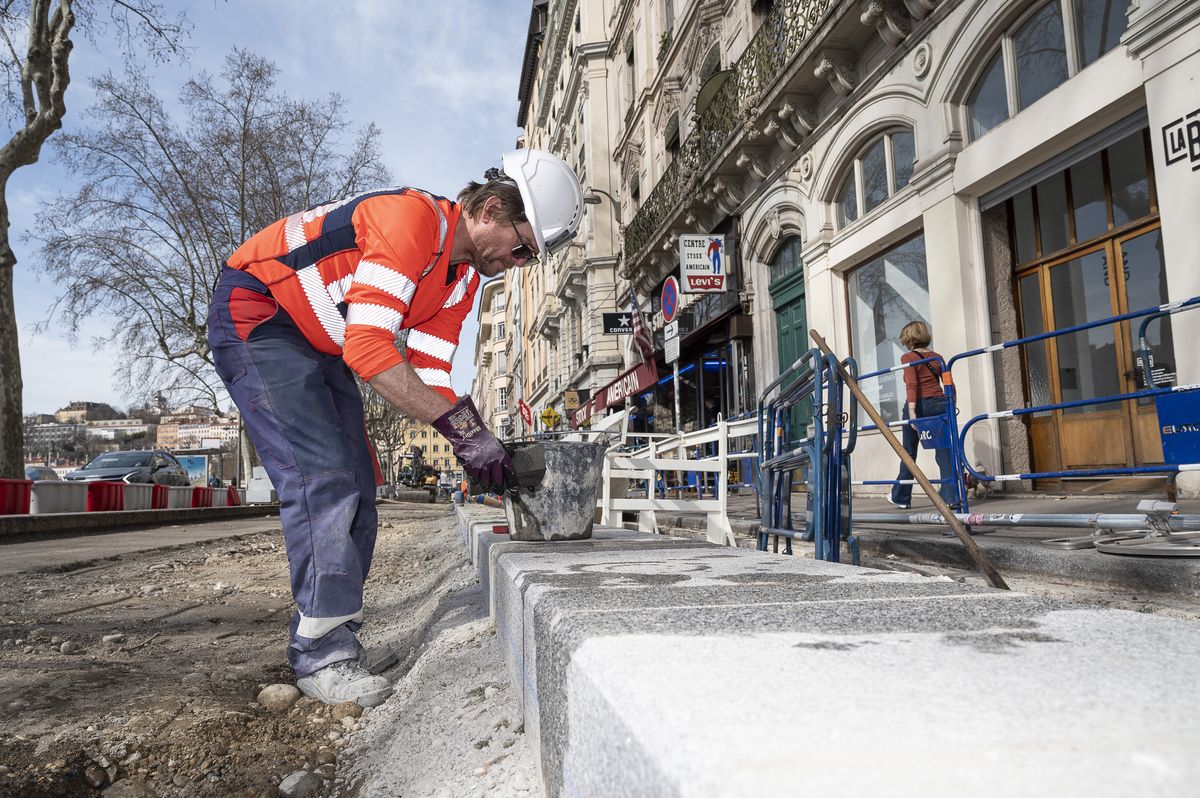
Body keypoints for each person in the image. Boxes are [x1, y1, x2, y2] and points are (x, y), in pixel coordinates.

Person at [206, 149, 583, 706]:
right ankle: (320, 654)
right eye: (523, 247)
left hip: (318, 340)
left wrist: (477, 438)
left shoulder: (460, 282)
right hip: (258, 311)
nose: (519, 263)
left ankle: (338, 635)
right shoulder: (412, 222)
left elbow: (429, 377)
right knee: (322, 478)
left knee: (360, 481)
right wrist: (464, 436)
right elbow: (369, 349)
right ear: (492, 211)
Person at [887, 320, 958, 510]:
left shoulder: (908, 357)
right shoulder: (938, 358)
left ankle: (901, 497)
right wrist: (951, 406)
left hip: (919, 405)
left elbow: (911, 384)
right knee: (944, 450)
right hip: (940, 404)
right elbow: (949, 384)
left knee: (909, 451)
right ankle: (951, 497)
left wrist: (912, 411)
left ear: (909, 338)